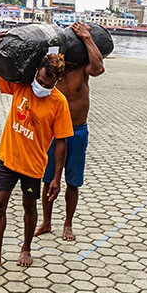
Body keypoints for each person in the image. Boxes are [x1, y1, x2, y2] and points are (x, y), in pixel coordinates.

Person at [0, 48, 73, 269]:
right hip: (7, 159)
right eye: (40, 81)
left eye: (49, 85)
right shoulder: (21, 85)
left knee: (29, 207)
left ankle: (26, 248)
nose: (43, 87)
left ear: (57, 81)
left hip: (33, 166)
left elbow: (61, 141)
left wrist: (57, 177)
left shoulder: (59, 103)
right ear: (36, 71)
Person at [35, 22, 105, 241]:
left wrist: (86, 37)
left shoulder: (82, 70)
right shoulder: (54, 71)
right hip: (53, 132)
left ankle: (68, 224)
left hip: (77, 131)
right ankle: (46, 222)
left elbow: (99, 68)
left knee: (72, 181)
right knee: (48, 179)